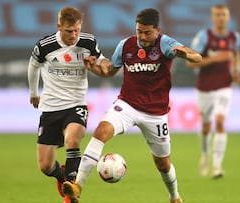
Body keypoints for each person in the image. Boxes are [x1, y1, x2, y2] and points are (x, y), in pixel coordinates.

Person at [62, 8, 202, 203]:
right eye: (139, 31)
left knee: (162, 164)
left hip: (155, 114)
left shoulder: (166, 43)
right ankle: (77, 186)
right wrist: (92, 67)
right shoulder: (126, 45)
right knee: (101, 131)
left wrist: (186, 54)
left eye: (147, 32)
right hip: (127, 105)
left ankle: (174, 197)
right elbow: (109, 71)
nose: (142, 37)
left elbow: (197, 57)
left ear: (157, 30)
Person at [27, 6, 111, 203]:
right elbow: (33, 66)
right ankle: (62, 176)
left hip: (76, 104)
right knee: (45, 166)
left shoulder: (88, 42)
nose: (73, 35)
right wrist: (33, 93)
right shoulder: (45, 45)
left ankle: (71, 190)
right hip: (50, 107)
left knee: (72, 140)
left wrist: (104, 63)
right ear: (59, 27)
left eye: (77, 30)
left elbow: (102, 59)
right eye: (68, 31)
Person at [186, 4, 240, 178]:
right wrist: (217, 58)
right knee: (206, 126)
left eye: (223, 15)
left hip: (224, 87)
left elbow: (235, 54)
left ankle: (217, 166)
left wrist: (235, 71)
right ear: (212, 17)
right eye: (217, 15)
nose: (221, 18)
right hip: (204, 88)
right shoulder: (204, 37)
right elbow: (190, 63)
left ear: (228, 17)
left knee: (219, 122)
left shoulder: (234, 37)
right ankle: (205, 154)